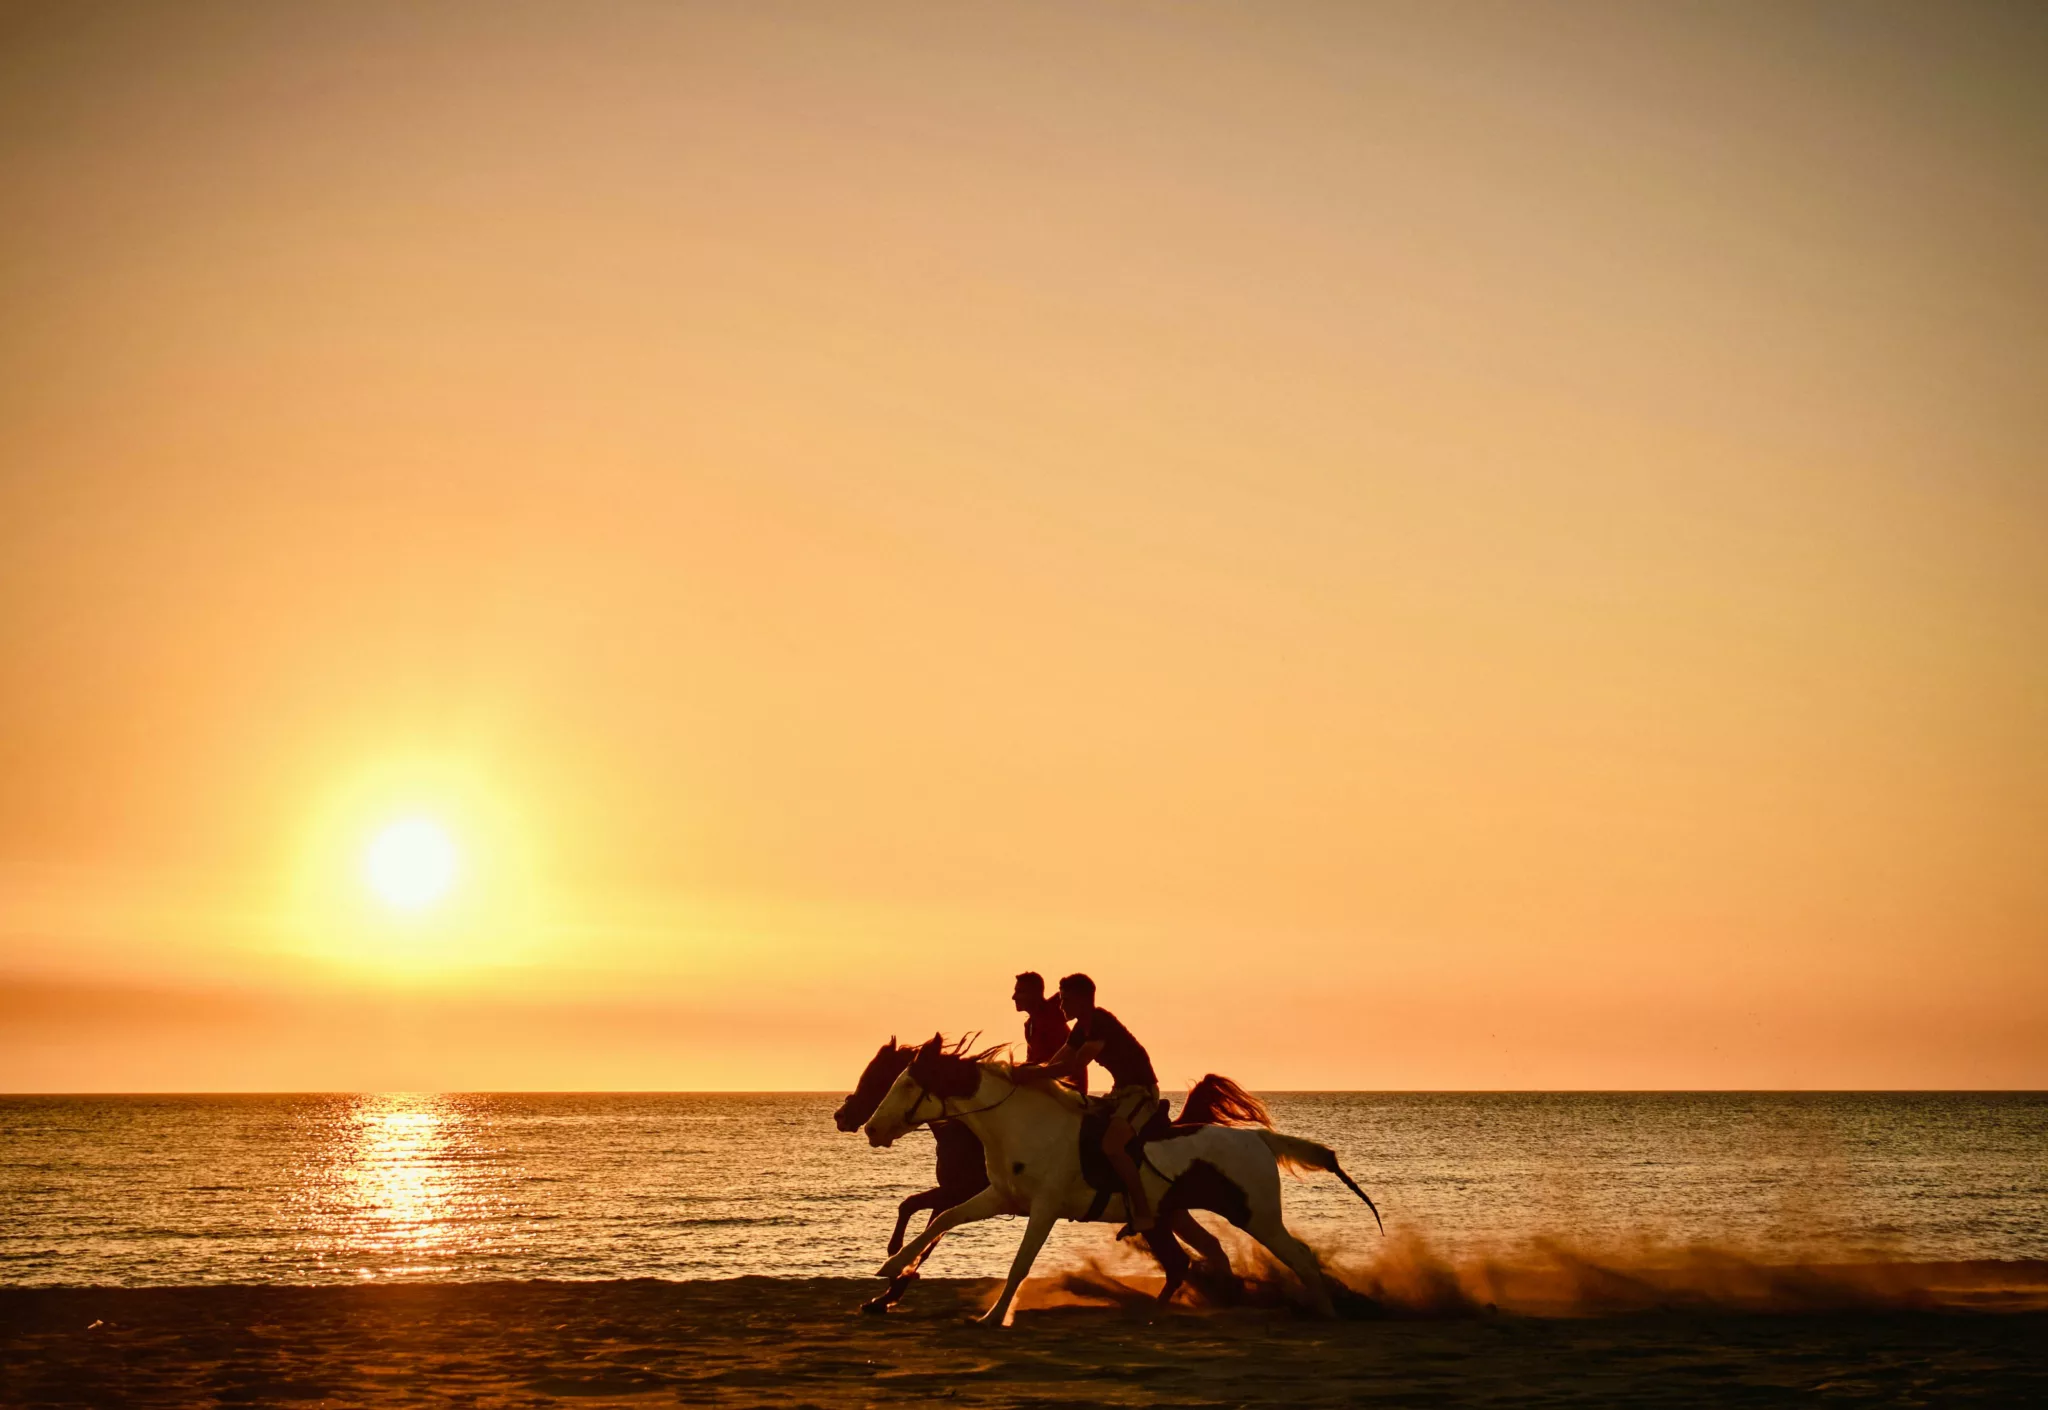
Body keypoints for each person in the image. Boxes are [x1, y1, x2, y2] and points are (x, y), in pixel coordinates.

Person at [1012, 972, 1159, 1232]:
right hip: (1118, 1093)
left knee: (1112, 1146)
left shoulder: (1101, 1022)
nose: (1060, 1005)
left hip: (1141, 1093)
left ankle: (1143, 1212)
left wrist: (1034, 1073)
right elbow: (1057, 1060)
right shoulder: (1081, 1028)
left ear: (1081, 1000)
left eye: (1065, 1000)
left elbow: (1073, 1065)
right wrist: (1024, 1072)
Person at [1010, 971, 1085, 1094]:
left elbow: (1067, 1064)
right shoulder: (1030, 1024)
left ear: (1034, 994)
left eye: (1020, 992)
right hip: (1045, 1087)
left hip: (1067, 1093)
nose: (1014, 997)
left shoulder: (1052, 1017)